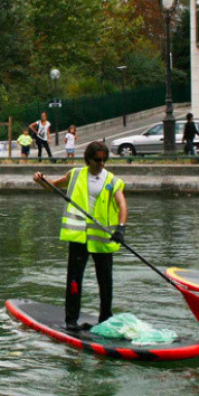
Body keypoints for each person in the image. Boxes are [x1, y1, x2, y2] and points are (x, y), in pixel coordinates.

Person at [33, 141, 128, 330]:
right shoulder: (75, 174)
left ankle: (105, 319)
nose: (101, 164)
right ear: (88, 159)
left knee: (105, 281)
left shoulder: (111, 180)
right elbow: (53, 187)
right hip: (80, 237)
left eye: (104, 160)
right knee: (75, 280)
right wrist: (41, 180)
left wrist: (121, 228)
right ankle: (71, 320)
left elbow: (122, 206)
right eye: (97, 160)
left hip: (102, 239)